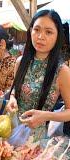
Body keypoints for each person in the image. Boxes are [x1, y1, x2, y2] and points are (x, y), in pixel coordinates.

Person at [6, 10, 70, 142]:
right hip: (10, 128)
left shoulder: (62, 71)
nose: (41, 36)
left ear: (58, 36)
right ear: (30, 32)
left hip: (35, 140)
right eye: (37, 29)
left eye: (48, 32)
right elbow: (14, 89)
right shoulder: (20, 62)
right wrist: (12, 98)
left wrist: (45, 116)